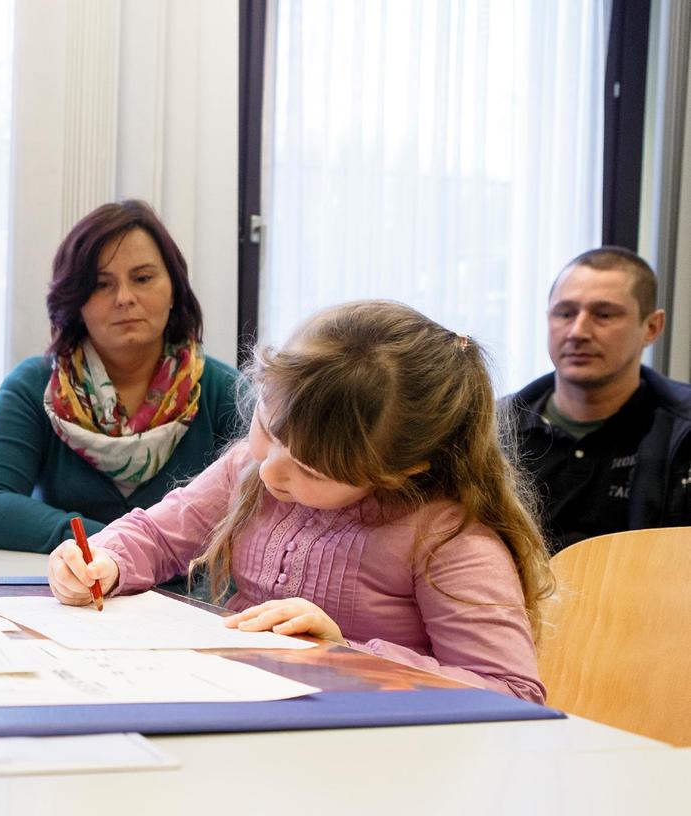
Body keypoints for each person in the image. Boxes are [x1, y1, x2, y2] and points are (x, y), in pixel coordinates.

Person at [47, 300, 554, 702]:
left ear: (400, 471)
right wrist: (105, 562)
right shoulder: (251, 465)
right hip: (242, 710)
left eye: (311, 469)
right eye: (267, 428)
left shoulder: (446, 538)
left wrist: (344, 654)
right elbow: (158, 535)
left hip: (378, 765)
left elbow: (513, 693)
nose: (269, 469)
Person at [0, 200, 241, 554]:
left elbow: (262, 516)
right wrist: (117, 545)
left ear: (174, 288)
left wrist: (139, 553)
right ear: (76, 301)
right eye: (101, 284)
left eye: (142, 278)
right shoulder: (33, 387)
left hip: (188, 598)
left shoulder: (224, 392)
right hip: (71, 591)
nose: (124, 298)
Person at [504, 247, 690, 554]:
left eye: (604, 315)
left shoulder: (682, 436)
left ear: (652, 327)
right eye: (565, 313)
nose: (578, 331)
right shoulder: (492, 431)